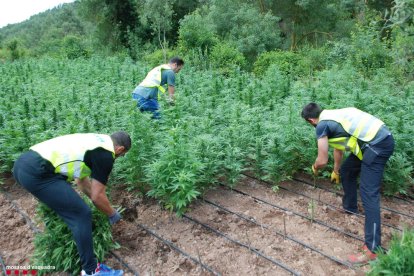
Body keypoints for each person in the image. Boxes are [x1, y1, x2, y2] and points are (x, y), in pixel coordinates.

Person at [13, 132, 132, 276]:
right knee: (81, 215)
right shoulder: (106, 155)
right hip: (39, 173)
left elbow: (82, 182)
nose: (120, 157)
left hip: (23, 164)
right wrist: (112, 214)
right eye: (123, 155)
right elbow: (97, 196)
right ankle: (91, 271)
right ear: (119, 149)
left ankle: (74, 245)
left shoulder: (96, 141)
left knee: (71, 209)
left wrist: (104, 206)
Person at [301, 103, 394, 264]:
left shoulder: (321, 125)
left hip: (377, 146)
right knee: (347, 171)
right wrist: (336, 171)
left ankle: (373, 249)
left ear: (310, 120)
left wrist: (315, 167)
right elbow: (339, 148)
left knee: (368, 194)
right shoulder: (332, 116)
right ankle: (350, 208)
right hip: (374, 142)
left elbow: (322, 160)